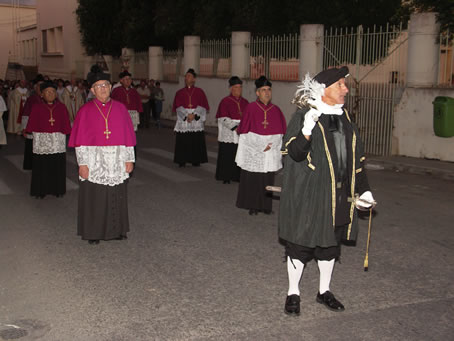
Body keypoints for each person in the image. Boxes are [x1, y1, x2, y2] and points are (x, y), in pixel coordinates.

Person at [278, 67, 375, 316]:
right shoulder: (303, 116)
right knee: (300, 246)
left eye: (344, 84)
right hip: (311, 196)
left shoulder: (345, 118)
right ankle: (293, 293)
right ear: (324, 89)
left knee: (330, 246)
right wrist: (307, 131)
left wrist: (363, 190)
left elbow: (356, 160)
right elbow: (295, 154)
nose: (346, 89)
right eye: (340, 85)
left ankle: (324, 291)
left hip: (339, 195)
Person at [68, 68, 136, 245]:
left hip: (117, 159)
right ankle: (93, 232)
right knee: (95, 197)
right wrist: (82, 164)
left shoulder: (121, 109)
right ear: (92, 90)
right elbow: (80, 141)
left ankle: (117, 230)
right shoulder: (85, 111)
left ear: (111, 87)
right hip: (94, 161)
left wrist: (130, 159)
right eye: (98, 86)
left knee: (117, 195)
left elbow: (128, 136)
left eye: (106, 85)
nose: (103, 88)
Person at [235, 76, 286, 215]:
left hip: (270, 150)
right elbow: (245, 133)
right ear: (257, 92)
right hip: (254, 150)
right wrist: (260, 146)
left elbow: (280, 133)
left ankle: (266, 206)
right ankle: (253, 205)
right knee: (253, 178)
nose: (267, 92)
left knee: (267, 178)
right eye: (263, 90)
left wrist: (270, 145)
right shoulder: (251, 108)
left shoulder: (276, 110)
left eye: (269, 89)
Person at [25, 81, 71, 198]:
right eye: (47, 92)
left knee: (57, 165)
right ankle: (41, 191)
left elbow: (66, 125)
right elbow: (32, 125)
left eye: (53, 92)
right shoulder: (37, 107)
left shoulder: (61, 107)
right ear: (42, 94)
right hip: (42, 142)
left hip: (57, 142)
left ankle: (57, 189)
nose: (50, 94)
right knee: (42, 166)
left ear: (56, 94)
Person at [172, 68, 209, 167]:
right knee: (183, 140)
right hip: (185, 118)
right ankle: (182, 160)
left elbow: (203, 106)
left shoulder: (200, 91)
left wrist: (194, 115)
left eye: (189, 76)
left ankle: (195, 160)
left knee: (196, 140)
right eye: (186, 76)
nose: (186, 78)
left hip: (195, 118)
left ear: (194, 79)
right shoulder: (180, 92)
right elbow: (178, 106)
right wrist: (186, 115)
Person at [215, 76, 248, 184]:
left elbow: (249, 117)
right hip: (229, 132)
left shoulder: (245, 102)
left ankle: (238, 176)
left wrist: (244, 126)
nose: (239, 90)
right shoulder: (225, 101)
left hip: (241, 132)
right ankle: (226, 176)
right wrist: (235, 127)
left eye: (240, 87)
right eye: (236, 87)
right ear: (231, 88)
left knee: (240, 154)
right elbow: (223, 118)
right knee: (228, 154)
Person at [20, 75, 44, 170]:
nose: (41, 88)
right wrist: (24, 128)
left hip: (44, 128)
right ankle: (30, 165)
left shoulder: (49, 98)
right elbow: (25, 113)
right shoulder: (32, 99)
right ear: (36, 88)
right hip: (32, 127)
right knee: (31, 147)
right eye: (39, 86)